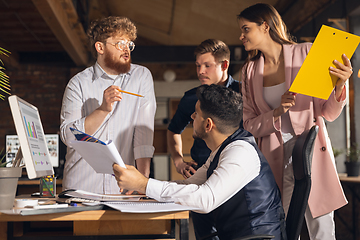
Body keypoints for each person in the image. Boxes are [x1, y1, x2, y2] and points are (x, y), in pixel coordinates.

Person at [238, 3, 352, 239]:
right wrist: (277, 112)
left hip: (311, 151)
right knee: (284, 230)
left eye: (245, 29)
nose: (241, 36)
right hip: (273, 157)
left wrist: (340, 86)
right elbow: (249, 123)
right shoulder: (249, 71)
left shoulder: (307, 53)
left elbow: (328, 113)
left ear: (265, 26)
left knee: (322, 229)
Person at [113, 84, 286, 240]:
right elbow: (188, 185)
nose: (192, 116)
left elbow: (205, 199)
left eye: (196, 113)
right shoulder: (224, 149)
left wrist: (144, 184)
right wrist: (143, 187)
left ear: (208, 125)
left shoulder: (240, 153)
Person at [60, 16, 156, 194]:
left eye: (129, 44)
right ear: (100, 47)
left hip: (122, 187)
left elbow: (143, 132)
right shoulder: (78, 83)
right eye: (120, 43)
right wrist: (103, 110)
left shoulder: (141, 76)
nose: (126, 49)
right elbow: (68, 136)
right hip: (82, 187)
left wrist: (142, 181)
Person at [167, 39, 240, 179]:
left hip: (235, 172)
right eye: (198, 65)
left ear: (224, 65)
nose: (201, 71)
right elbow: (173, 131)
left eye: (207, 65)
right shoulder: (190, 98)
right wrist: (178, 162)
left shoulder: (244, 93)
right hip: (200, 172)